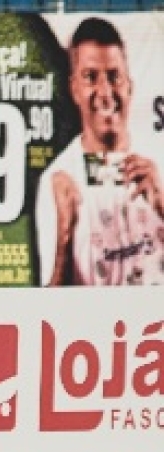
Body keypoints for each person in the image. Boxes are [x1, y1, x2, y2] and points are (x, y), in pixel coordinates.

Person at [34, 16, 164, 286]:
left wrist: (162, 206)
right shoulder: (57, 180)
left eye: (114, 77)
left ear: (130, 86)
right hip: (95, 327)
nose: (105, 92)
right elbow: (47, 312)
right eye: (90, 77)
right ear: (74, 89)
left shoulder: (158, 161)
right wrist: (64, 238)